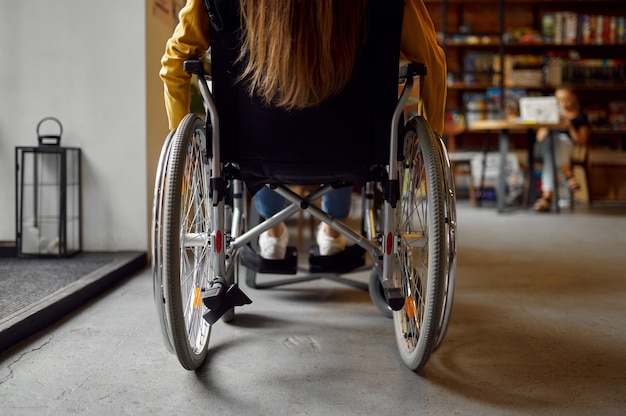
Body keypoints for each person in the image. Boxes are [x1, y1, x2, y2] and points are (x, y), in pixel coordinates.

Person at [160, 0, 446, 258]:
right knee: (343, 121)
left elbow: (174, 64)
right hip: (352, 146)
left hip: (256, 146)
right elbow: (432, 61)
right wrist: (427, 147)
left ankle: (271, 232)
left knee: (263, 126)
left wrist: (186, 154)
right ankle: (334, 230)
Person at [533, 85, 590, 212]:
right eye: (559, 99)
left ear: (573, 98)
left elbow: (581, 142)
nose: (563, 103)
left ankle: (546, 197)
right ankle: (568, 175)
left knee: (557, 145)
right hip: (544, 147)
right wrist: (548, 124)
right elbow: (539, 139)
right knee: (551, 142)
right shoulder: (549, 115)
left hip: (567, 148)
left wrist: (570, 126)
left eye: (566, 99)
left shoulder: (580, 118)